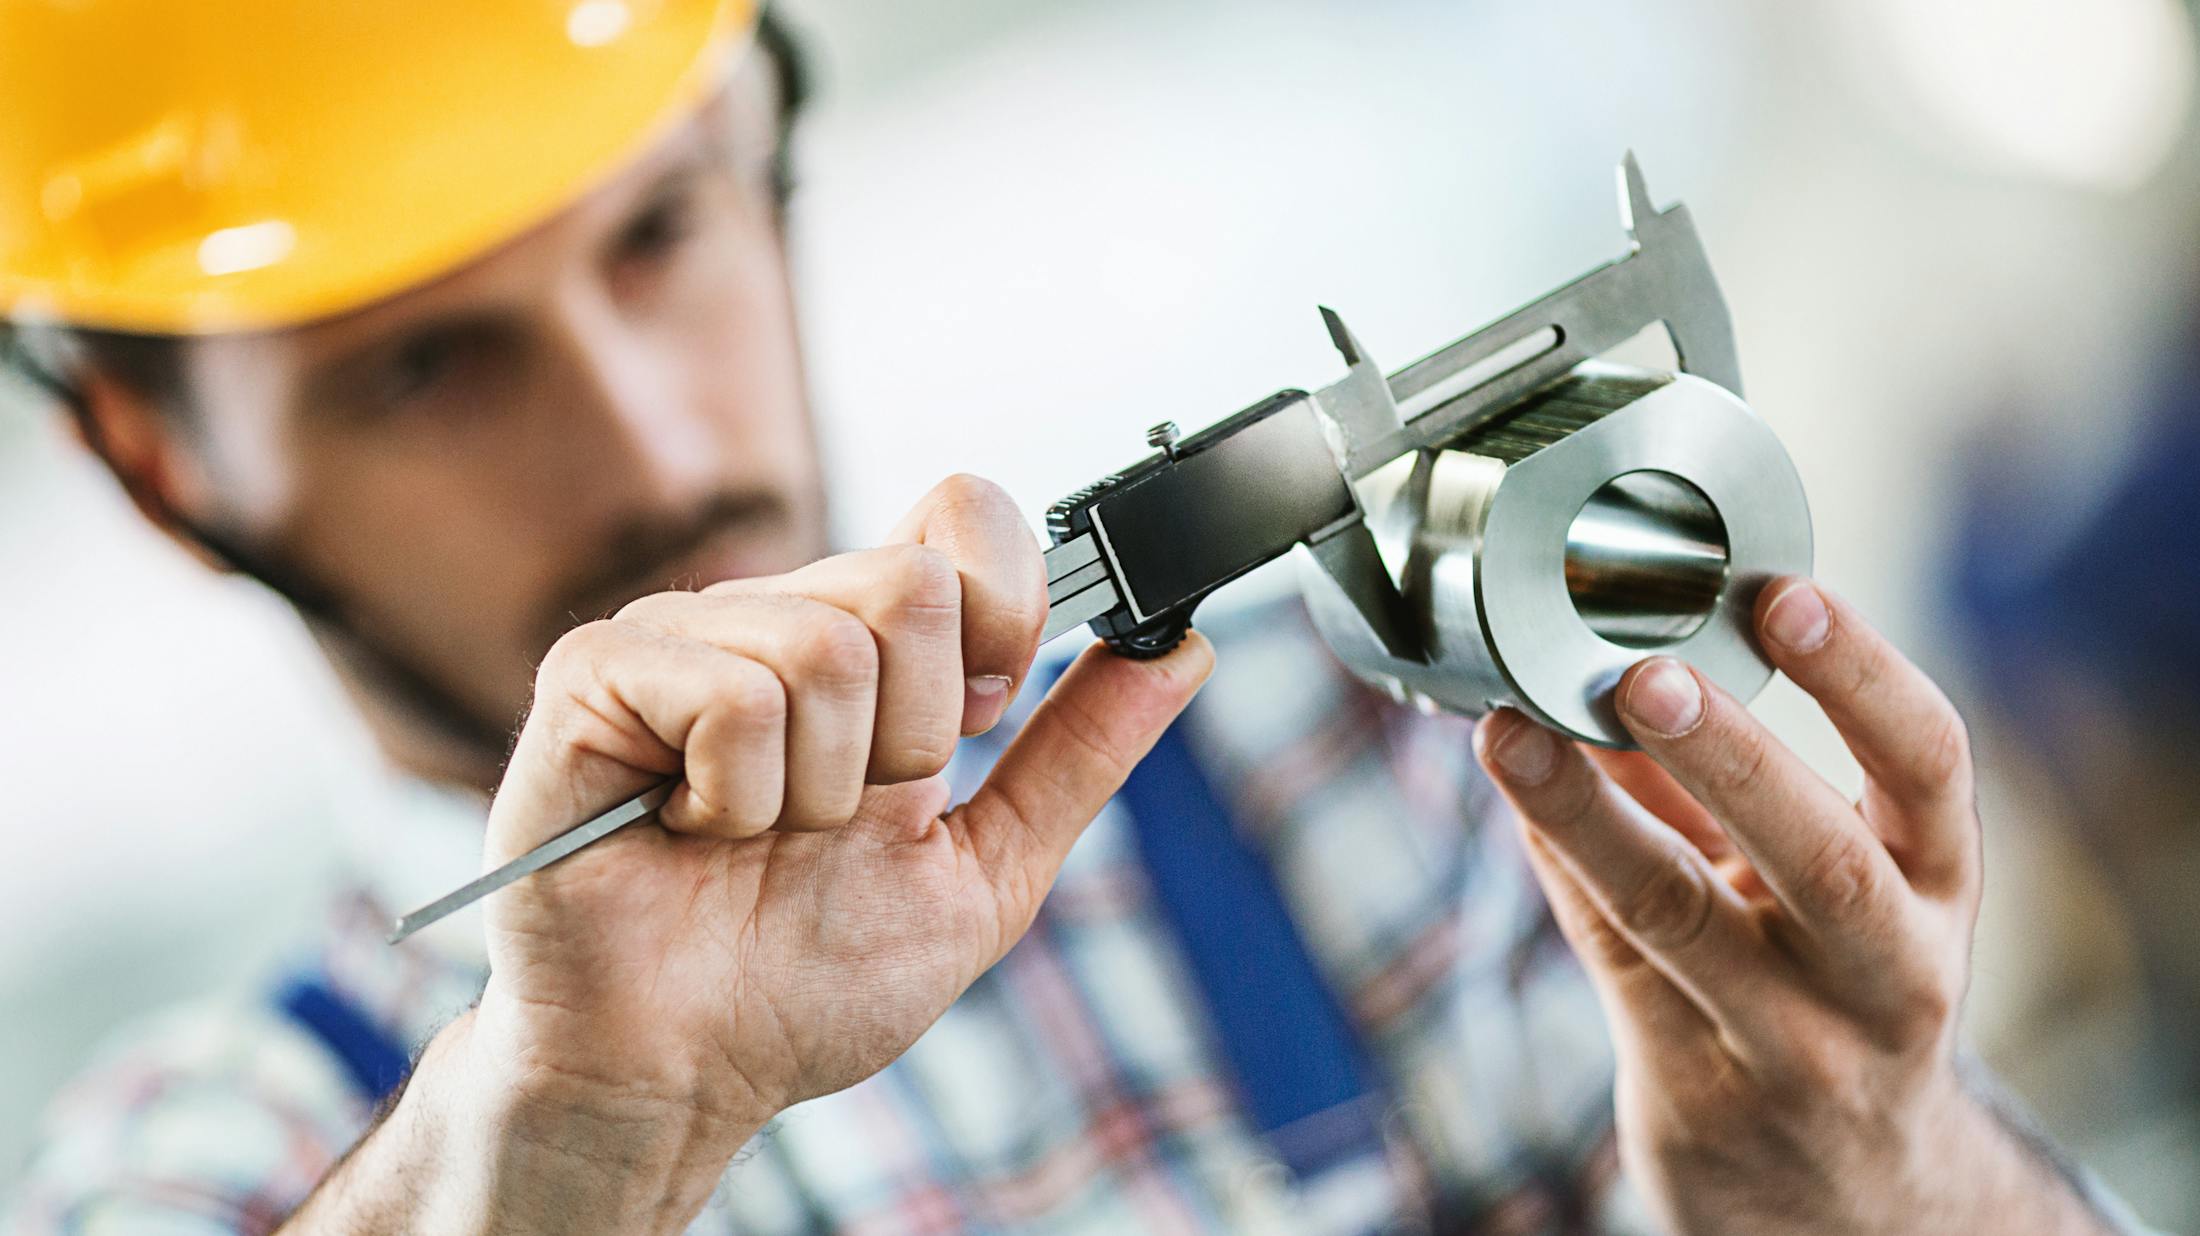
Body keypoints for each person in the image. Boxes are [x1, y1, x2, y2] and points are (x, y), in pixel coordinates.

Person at [0, 2, 2154, 1232]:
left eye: (658, 234)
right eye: (423, 370)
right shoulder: (227, 1155)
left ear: (766, 141)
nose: (649, 442)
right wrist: (566, 1151)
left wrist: (1876, 1177)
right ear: (165, 467)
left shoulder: (1370, 754)